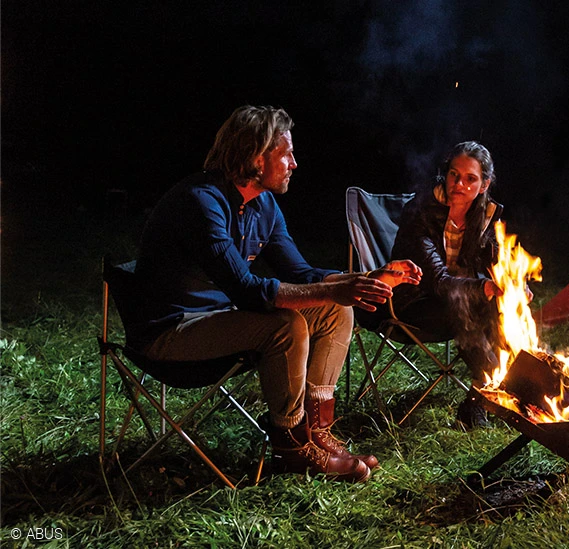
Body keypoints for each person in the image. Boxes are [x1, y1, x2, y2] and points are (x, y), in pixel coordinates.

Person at [129, 105, 422, 482]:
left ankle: (316, 434)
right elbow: (248, 290)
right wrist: (340, 287)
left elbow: (302, 274)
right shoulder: (202, 202)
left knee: (335, 310)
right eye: (286, 154)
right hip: (170, 332)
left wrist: (364, 278)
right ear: (256, 158)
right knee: (286, 325)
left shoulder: (263, 205)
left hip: (219, 319)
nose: (294, 164)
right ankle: (292, 447)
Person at [384, 141, 507, 428]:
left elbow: (498, 264)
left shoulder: (485, 216)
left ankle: (477, 402)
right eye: (454, 174)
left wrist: (512, 285)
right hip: (412, 301)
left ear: (484, 185)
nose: (459, 184)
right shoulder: (421, 212)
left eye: (470, 179)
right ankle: (497, 388)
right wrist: (484, 289)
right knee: (465, 304)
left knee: (498, 306)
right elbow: (437, 282)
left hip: (457, 300)